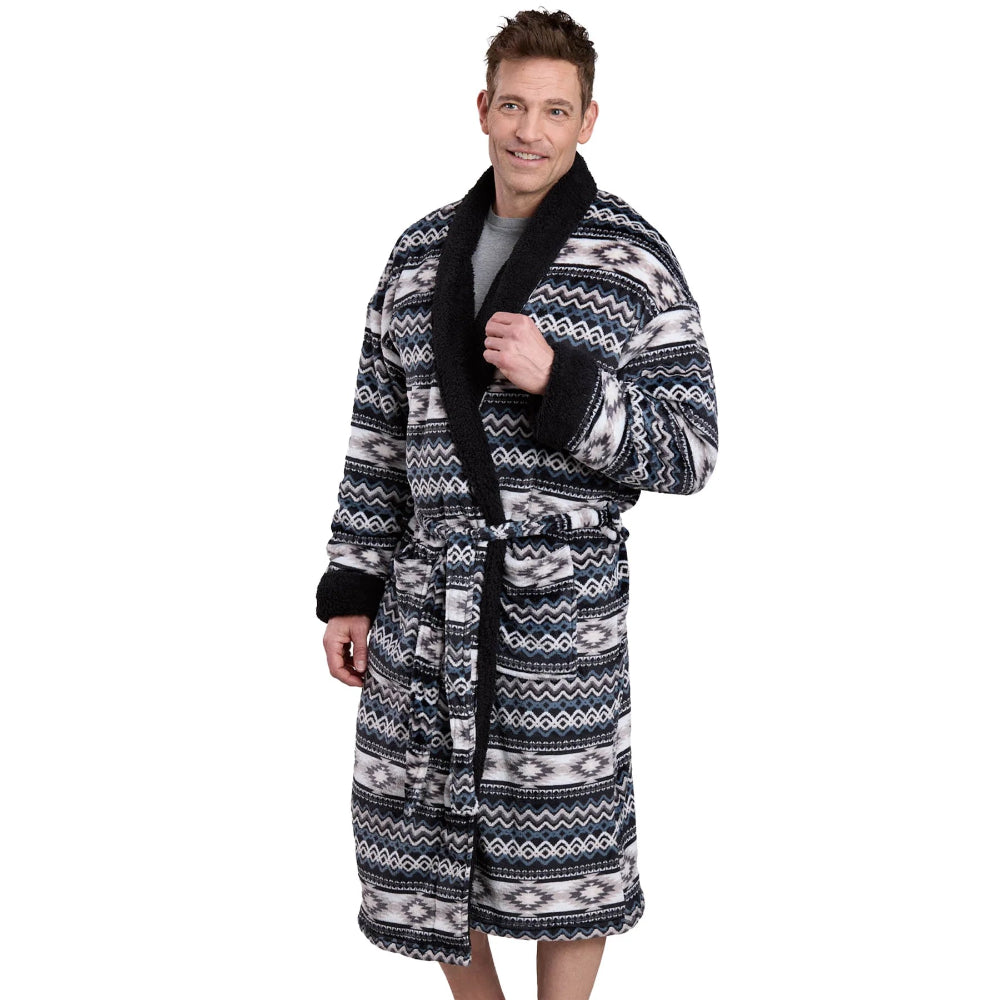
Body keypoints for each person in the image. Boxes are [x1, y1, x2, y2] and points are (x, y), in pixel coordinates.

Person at [317, 9, 718, 998]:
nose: (529, 130)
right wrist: (352, 587)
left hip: (559, 607)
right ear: (481, 108)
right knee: (419, 833)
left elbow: (692, 448)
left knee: (565, 844)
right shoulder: (419, 255)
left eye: (554, 110)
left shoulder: (631, 258)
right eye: (512, 105)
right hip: (426, 599)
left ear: (588, 120)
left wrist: (562, 383)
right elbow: (378, 438)